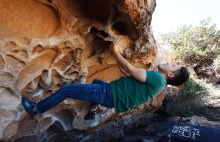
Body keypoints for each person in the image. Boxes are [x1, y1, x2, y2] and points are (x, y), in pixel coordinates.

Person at [22, 43, 190, 116]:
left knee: (67, 90)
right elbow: (128, 71)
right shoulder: (158, 83)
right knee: (96, 82)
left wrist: (115, 51)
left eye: (172, 66)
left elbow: (130, 68)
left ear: (170, 75)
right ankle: (92, 111)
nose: (169, 62)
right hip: (112, 99)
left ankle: (36, 109)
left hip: (108, 94)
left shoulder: (157, 78)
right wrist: (118, 58)